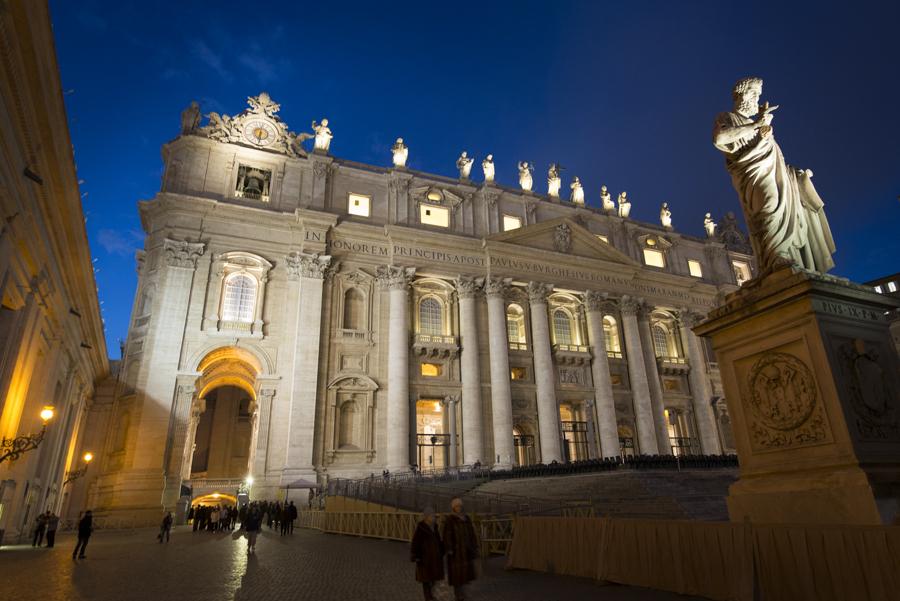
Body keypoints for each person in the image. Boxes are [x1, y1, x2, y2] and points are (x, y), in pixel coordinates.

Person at [442, 498, 479, 601]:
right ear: (453, 507)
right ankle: (458, 595)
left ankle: (463, 593)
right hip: (456, 552)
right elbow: (447, 535)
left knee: (465, 575)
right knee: (456, 576)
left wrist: (474, 546)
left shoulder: (466, 518)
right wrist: (449, 548)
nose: (459, 508)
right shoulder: (450, 519)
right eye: (457, 506)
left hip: (466, 551)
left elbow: (471, 534)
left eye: (460, 506)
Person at [411, 507, 444, 601]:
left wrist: (442, 550)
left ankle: (431, 596)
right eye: (431, 515)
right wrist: (416, 556)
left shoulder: (435, 527)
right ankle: (428, 598)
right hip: (424, 559)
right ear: (426, 517)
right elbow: (415, 543)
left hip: (435, 559)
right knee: (426, 581)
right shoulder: (421, 528)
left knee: (433, 579)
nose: (433, 517)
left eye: (433, 515)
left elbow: (438, 541)